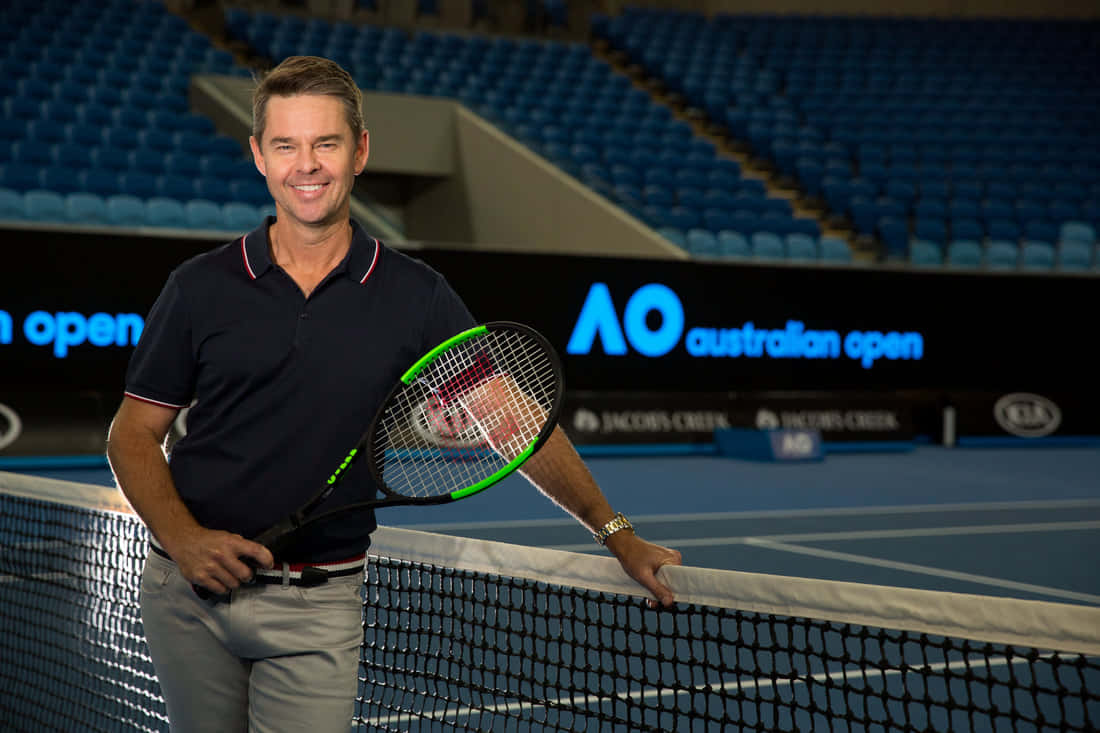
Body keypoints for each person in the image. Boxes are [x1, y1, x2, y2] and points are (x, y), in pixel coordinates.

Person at [106, 55, 682, 732]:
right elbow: (131, 434)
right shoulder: (198, 287)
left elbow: (515, 424)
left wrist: (615, 532)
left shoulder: (418, 296)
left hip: (317, 607)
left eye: (326, 143)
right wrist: (183, 538)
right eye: (286, 145)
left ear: (360, 151)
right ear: (259, 156)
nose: (307, 165)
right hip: (185, 596)